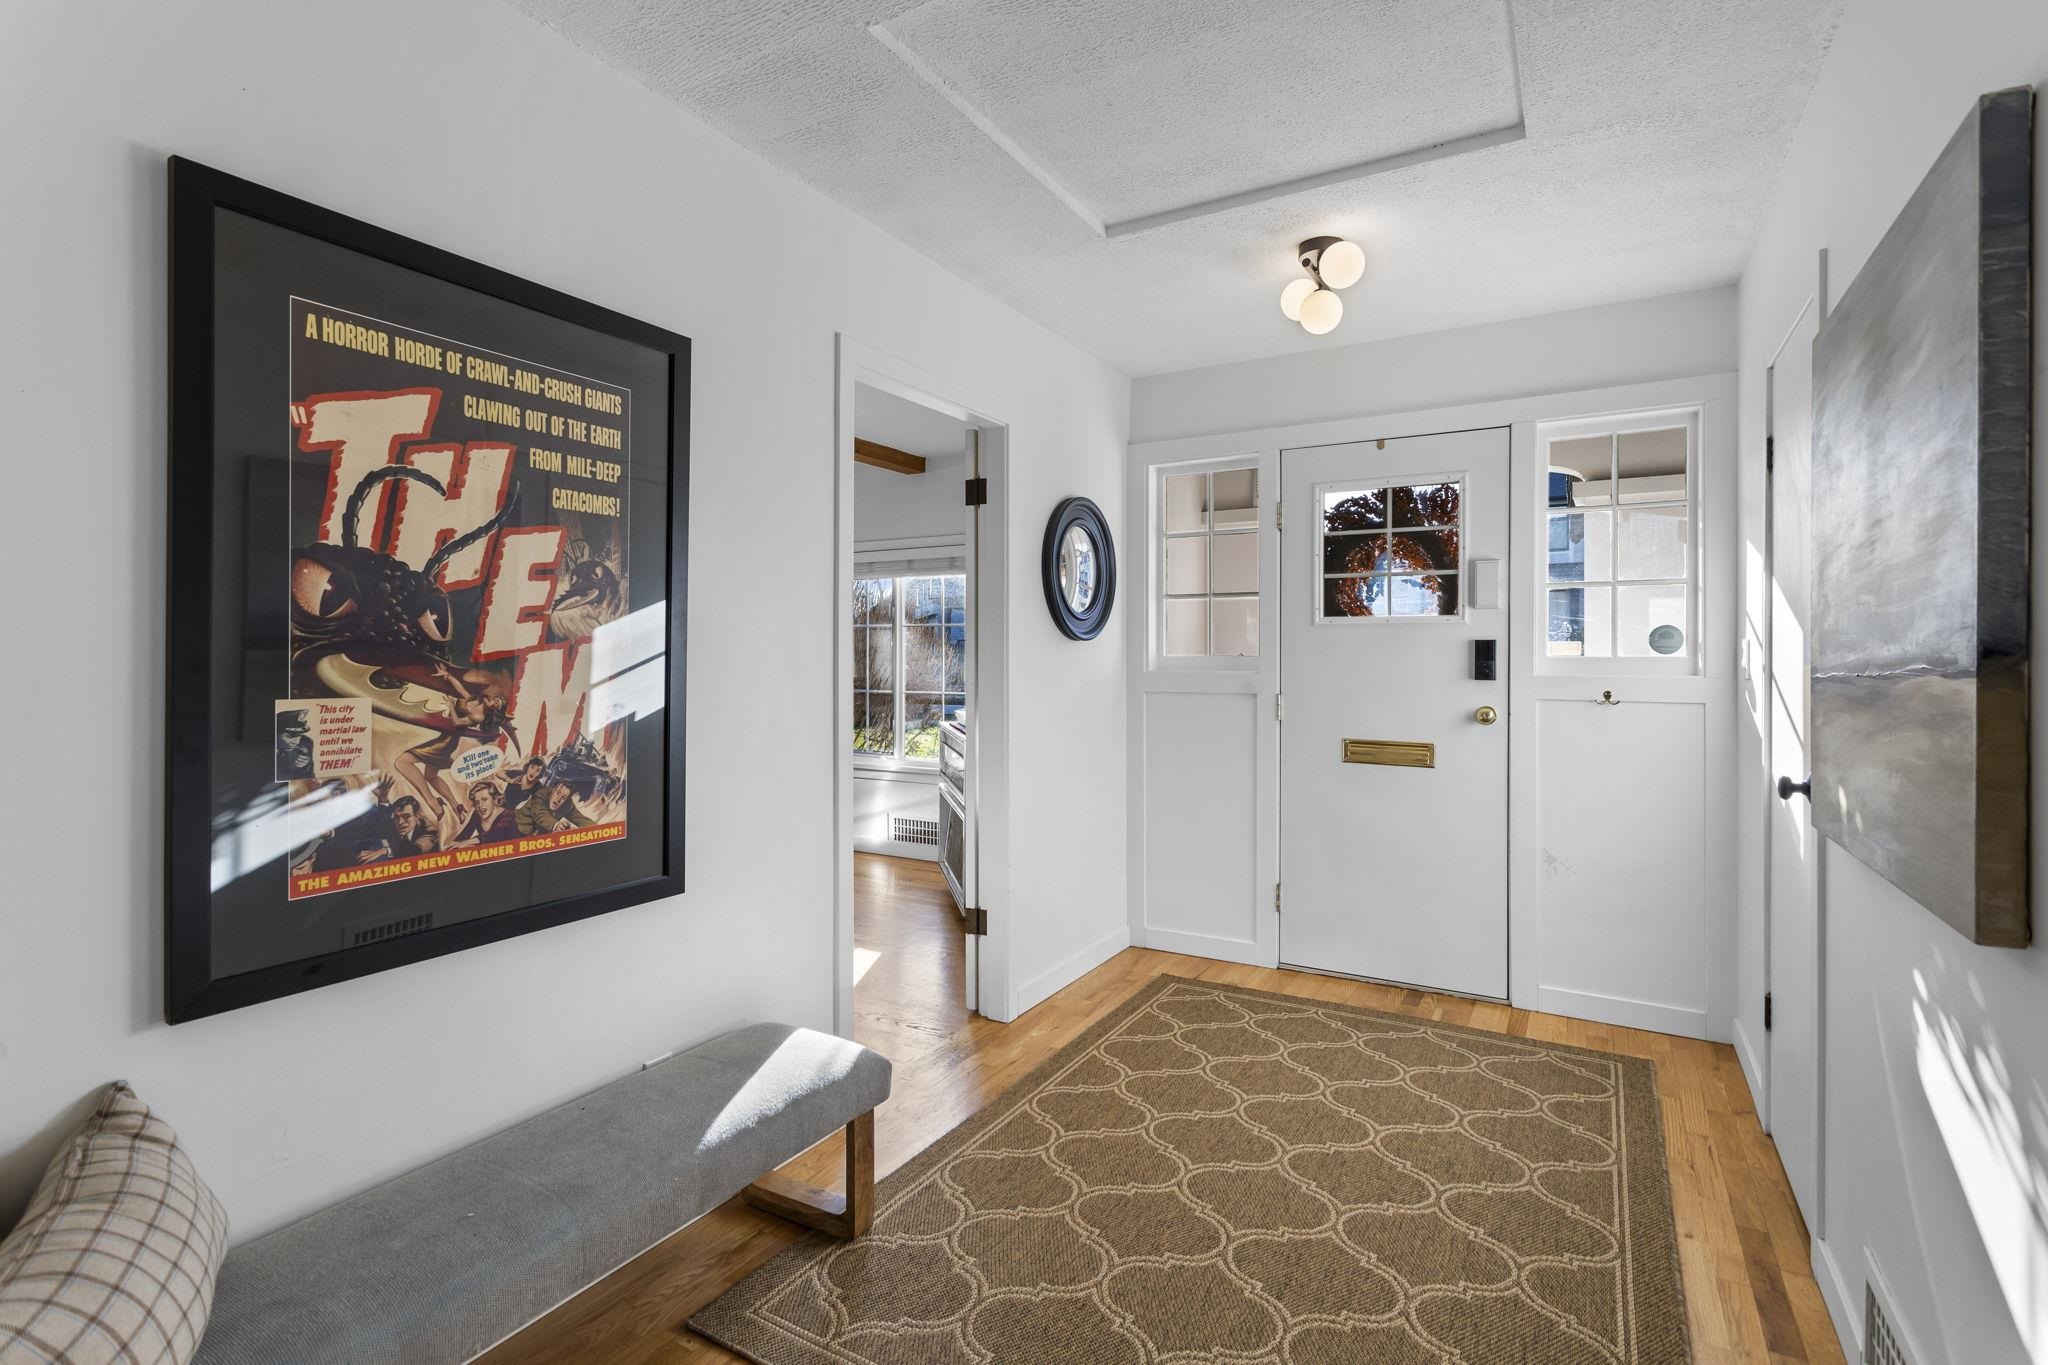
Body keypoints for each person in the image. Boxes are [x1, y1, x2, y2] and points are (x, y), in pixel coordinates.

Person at [451, 780, 517, 846]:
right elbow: (463, 836)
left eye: (484, 799)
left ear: (495, 799)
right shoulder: (476, 815)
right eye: (477, 802)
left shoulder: (510, 816)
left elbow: (496, 834)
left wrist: (466, 843)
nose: (480, 805)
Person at [517, 779, 593, 836]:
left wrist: (596, 829)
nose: (558, 799)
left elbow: (580, 818)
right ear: (554, 789)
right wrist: (555, 825)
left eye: (563, 798)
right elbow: (539, 813)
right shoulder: (540, 794)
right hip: (518, 827)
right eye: (558, 793)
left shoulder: (567, 805)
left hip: (537, 836)